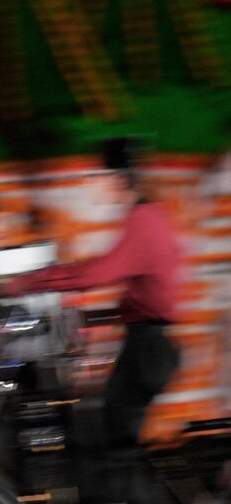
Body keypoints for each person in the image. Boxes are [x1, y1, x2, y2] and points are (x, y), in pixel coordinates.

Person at [10, 137, 181, 452]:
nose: (93, 184)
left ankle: (128, 485)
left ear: (118, 179)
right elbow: (135, 298)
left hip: (147, 349)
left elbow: (96, 275)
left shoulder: (142, 220)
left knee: (113, 439)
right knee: (113, 432)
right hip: (150, 346)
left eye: (97, 176)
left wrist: (31, 281)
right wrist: (86, 316)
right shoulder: (149, 217)